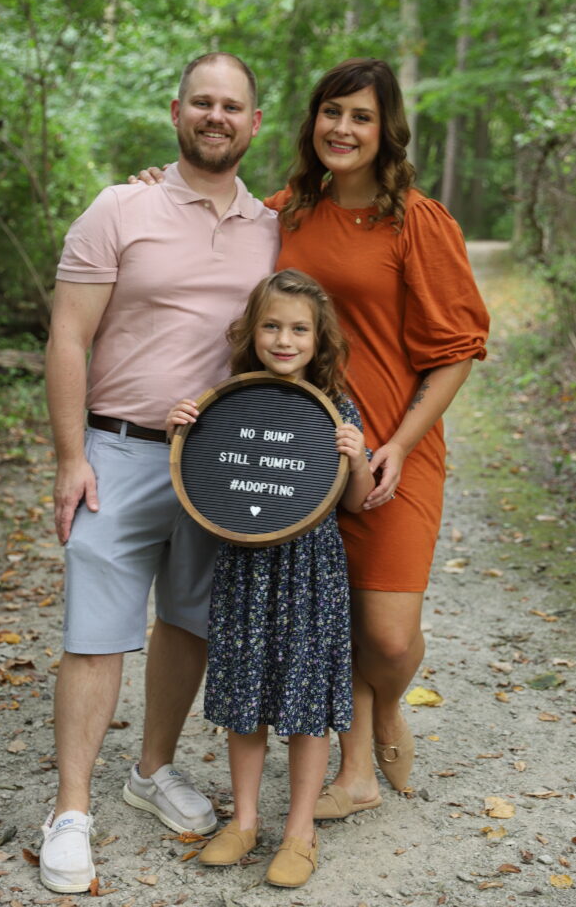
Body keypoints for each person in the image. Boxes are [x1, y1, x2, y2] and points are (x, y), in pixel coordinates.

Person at [132, 56, 489, 820]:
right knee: (334, 611)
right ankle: (354, 771)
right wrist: (152, 193)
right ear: (311, 122)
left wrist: (397, 444)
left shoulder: (417, 221)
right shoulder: (286, 211)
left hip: (388, 448)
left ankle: (387, 704)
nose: (343, 128)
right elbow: (212, 227)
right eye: (332, 112)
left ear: (385, 130)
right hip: (293, 452)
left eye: (361, 116)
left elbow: (456, 350)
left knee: (388, 639)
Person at [40, 53, 280, 894]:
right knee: (96, 630)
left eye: (234, 107)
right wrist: (71, 457)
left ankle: (151, 771)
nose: (217, 117)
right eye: (203, 103)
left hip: (217, 462)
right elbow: (68, 336)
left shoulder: (274, 226)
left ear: (256, 126)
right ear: (177, 112)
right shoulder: (120, 207)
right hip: (116, 448)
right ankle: (71, 810)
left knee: (188, 620)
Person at [168, 269, 375, 888]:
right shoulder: (226, 403)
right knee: (244, 699)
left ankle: (300, 831)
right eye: (272, 326)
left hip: (310, 573)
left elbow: (359, 503)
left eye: (299, 329)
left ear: (320, 339)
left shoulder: (335, 409)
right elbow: (202, 483)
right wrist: (182, 430)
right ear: (252, 331)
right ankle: (246, 821)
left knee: (306, 701)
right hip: (245, 569)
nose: (285, 339)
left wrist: (357, 457)